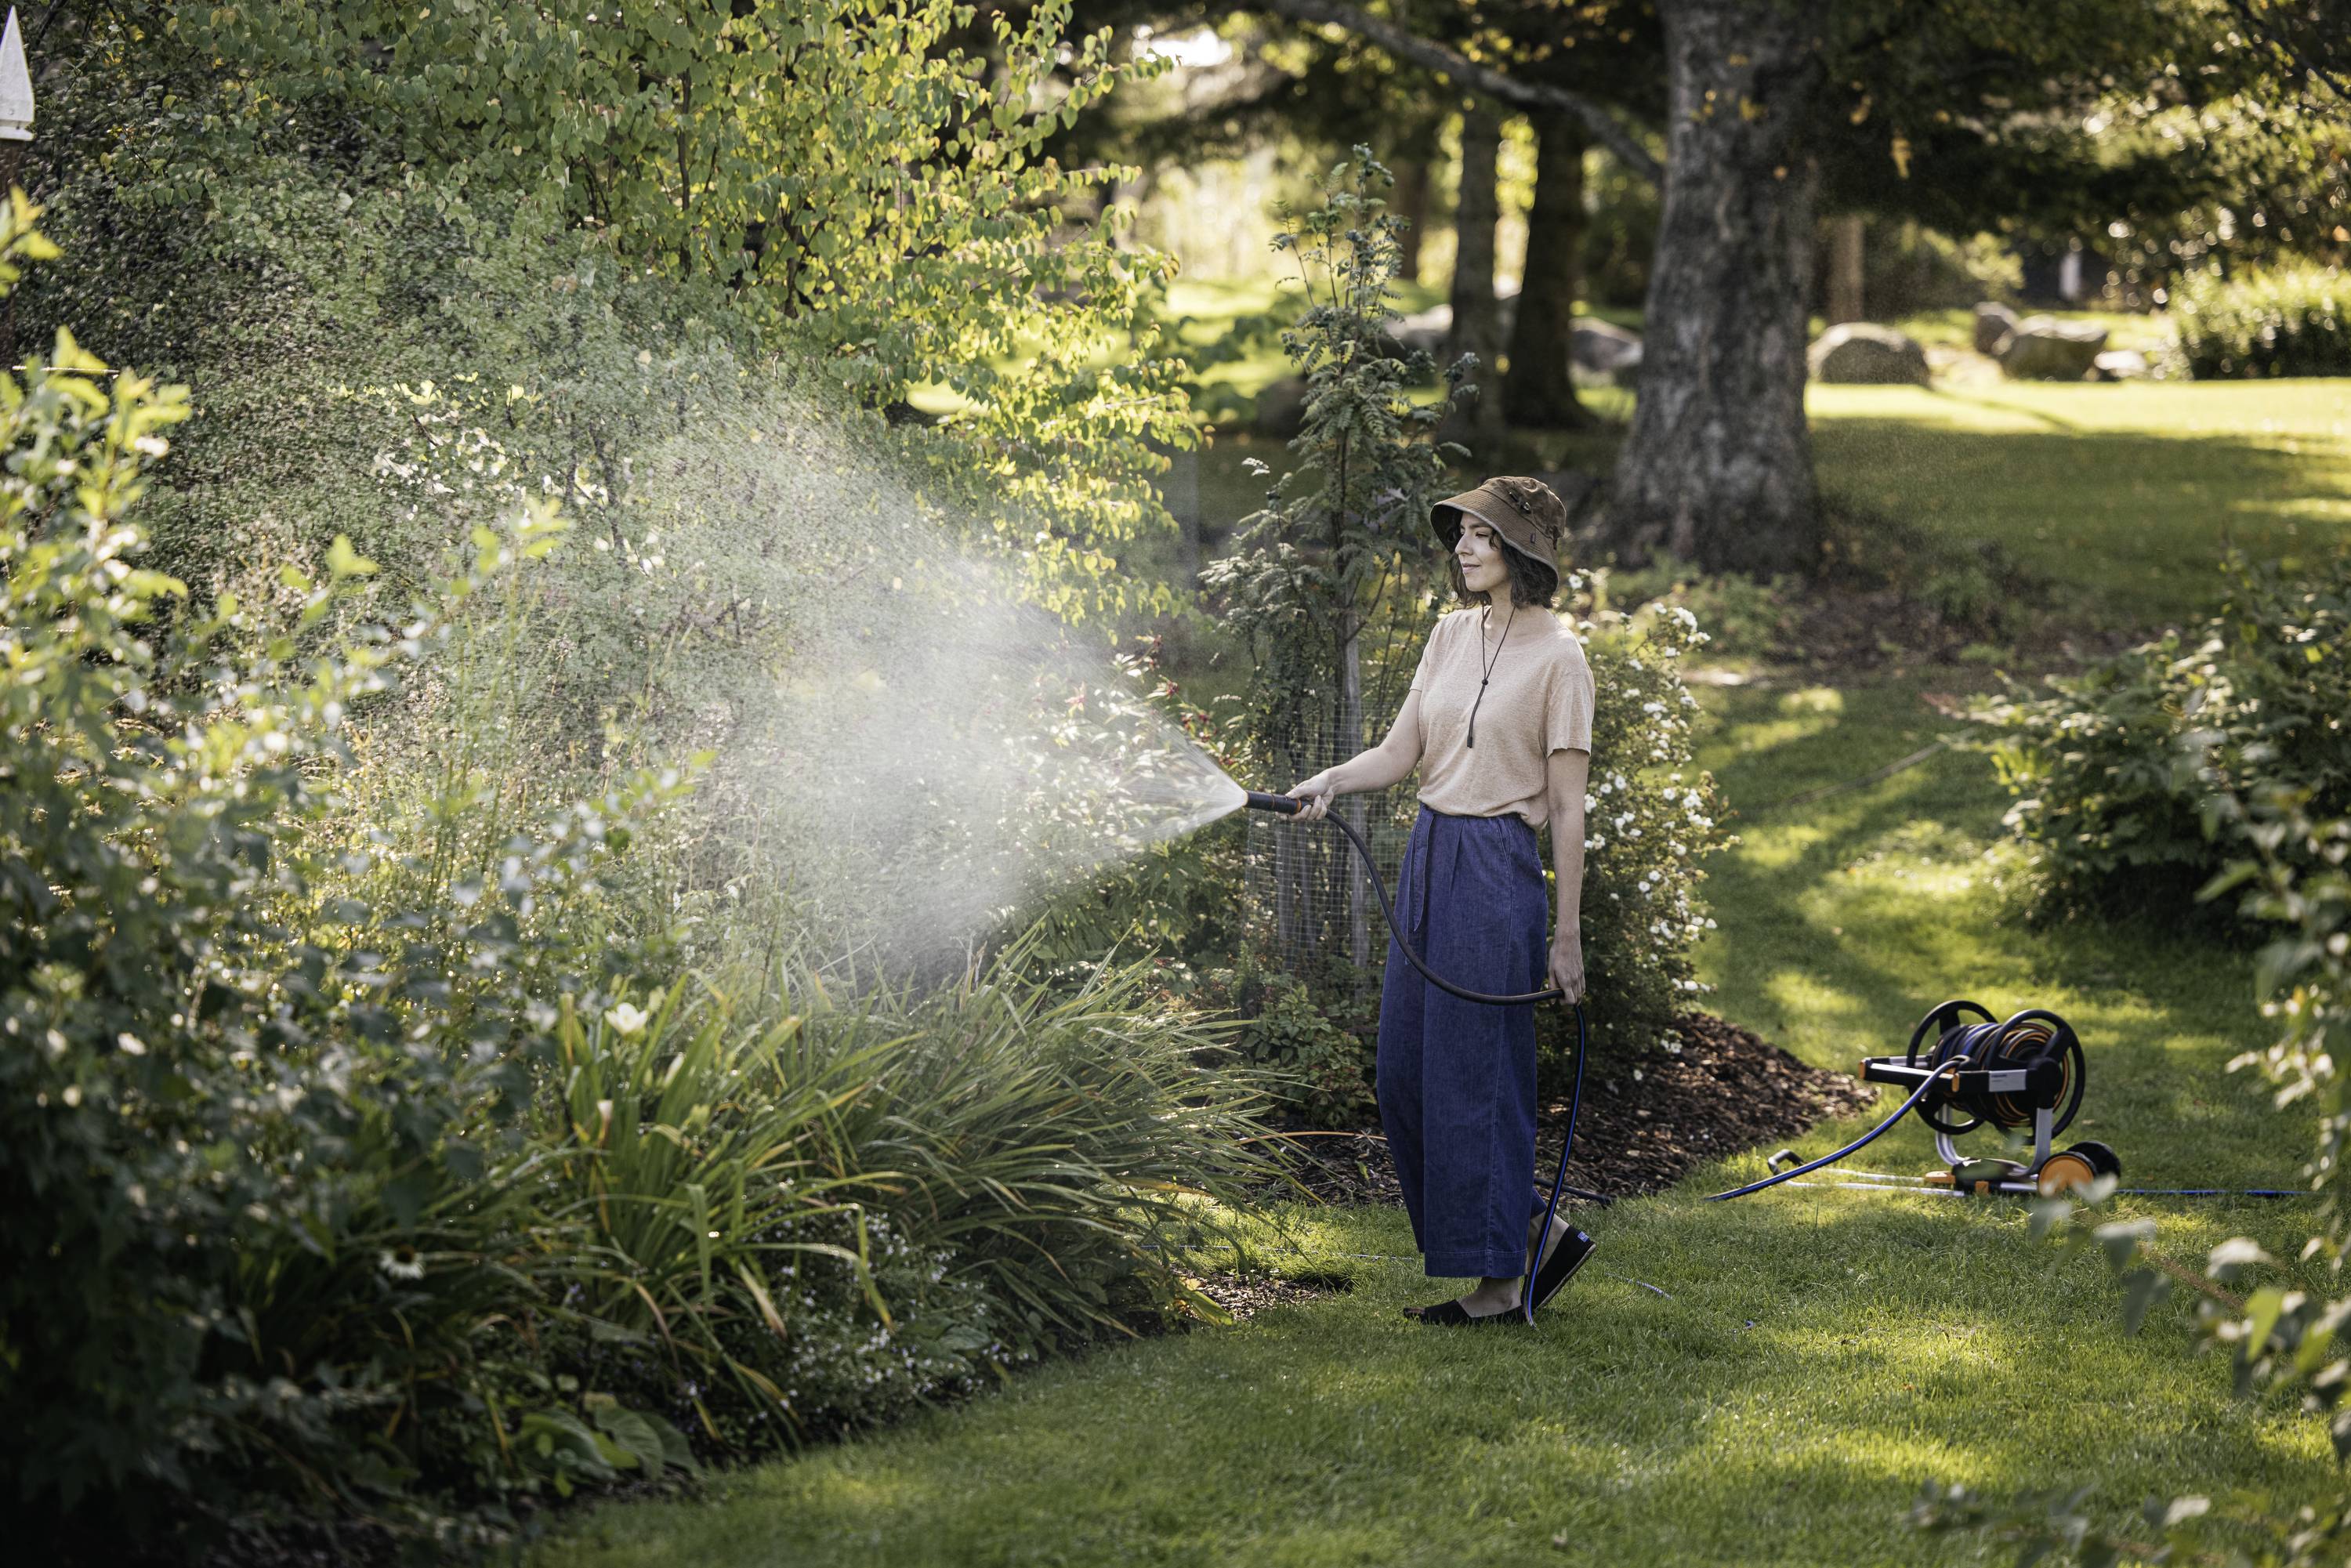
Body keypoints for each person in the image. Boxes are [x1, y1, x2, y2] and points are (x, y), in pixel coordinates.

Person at [1286, 476, 1596, 1327]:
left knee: (1475, 1078)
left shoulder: (1561, 659)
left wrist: (1565, 937)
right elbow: (1399, 751)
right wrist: (1332, 782)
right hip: (1429, 852)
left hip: (1498, 868)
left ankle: (1498, 1288)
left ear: (1521, 552)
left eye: (1483, 536)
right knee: (1403, 1077)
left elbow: (1567, 808)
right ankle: (1541, 1232)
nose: (1463, 547)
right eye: (1460, 532)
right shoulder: (1449, 635)